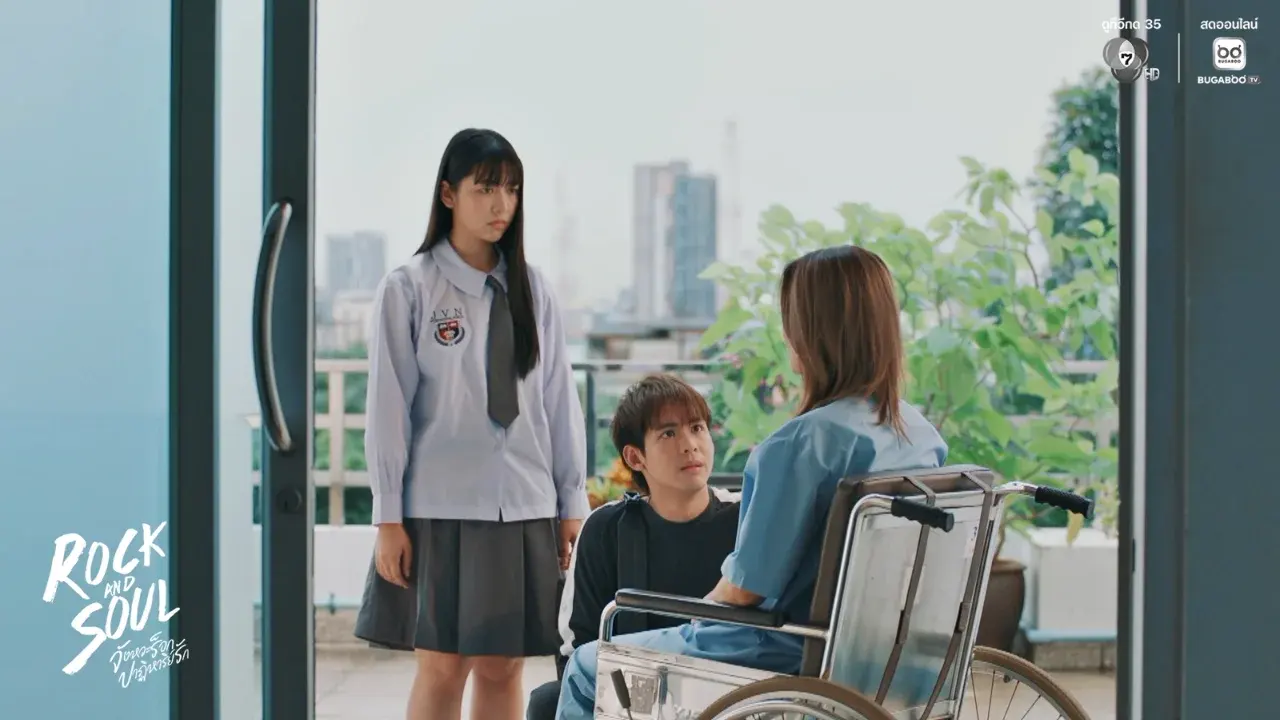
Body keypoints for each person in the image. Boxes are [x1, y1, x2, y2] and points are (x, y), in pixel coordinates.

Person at [554, 245, 950, 719]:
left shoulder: (801, 444)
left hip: (778, 652)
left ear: (812, 333)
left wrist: (697, 612)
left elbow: (745, 591)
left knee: (586, 665)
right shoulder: (921, 437)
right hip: (880, 653)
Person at [352, 128, 589, 720]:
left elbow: (558, 401)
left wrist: (571, 502)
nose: (501, 204)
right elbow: (388, 408)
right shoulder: (409, 287)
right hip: (440, 505)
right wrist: (388, 516)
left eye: (511, 189)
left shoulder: (534, 288)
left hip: (525, 502)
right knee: (442, 665)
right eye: (485, 188)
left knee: (504, 667)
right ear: (448, 194)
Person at [525, 374, 740, 720]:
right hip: (634, 696)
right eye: (668, 433)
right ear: (635, 457)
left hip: (730, 690)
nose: (690, 445)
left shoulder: (744, 519)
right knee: (547, 700)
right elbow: (577, 647)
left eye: (697, 428)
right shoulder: (606, 529)